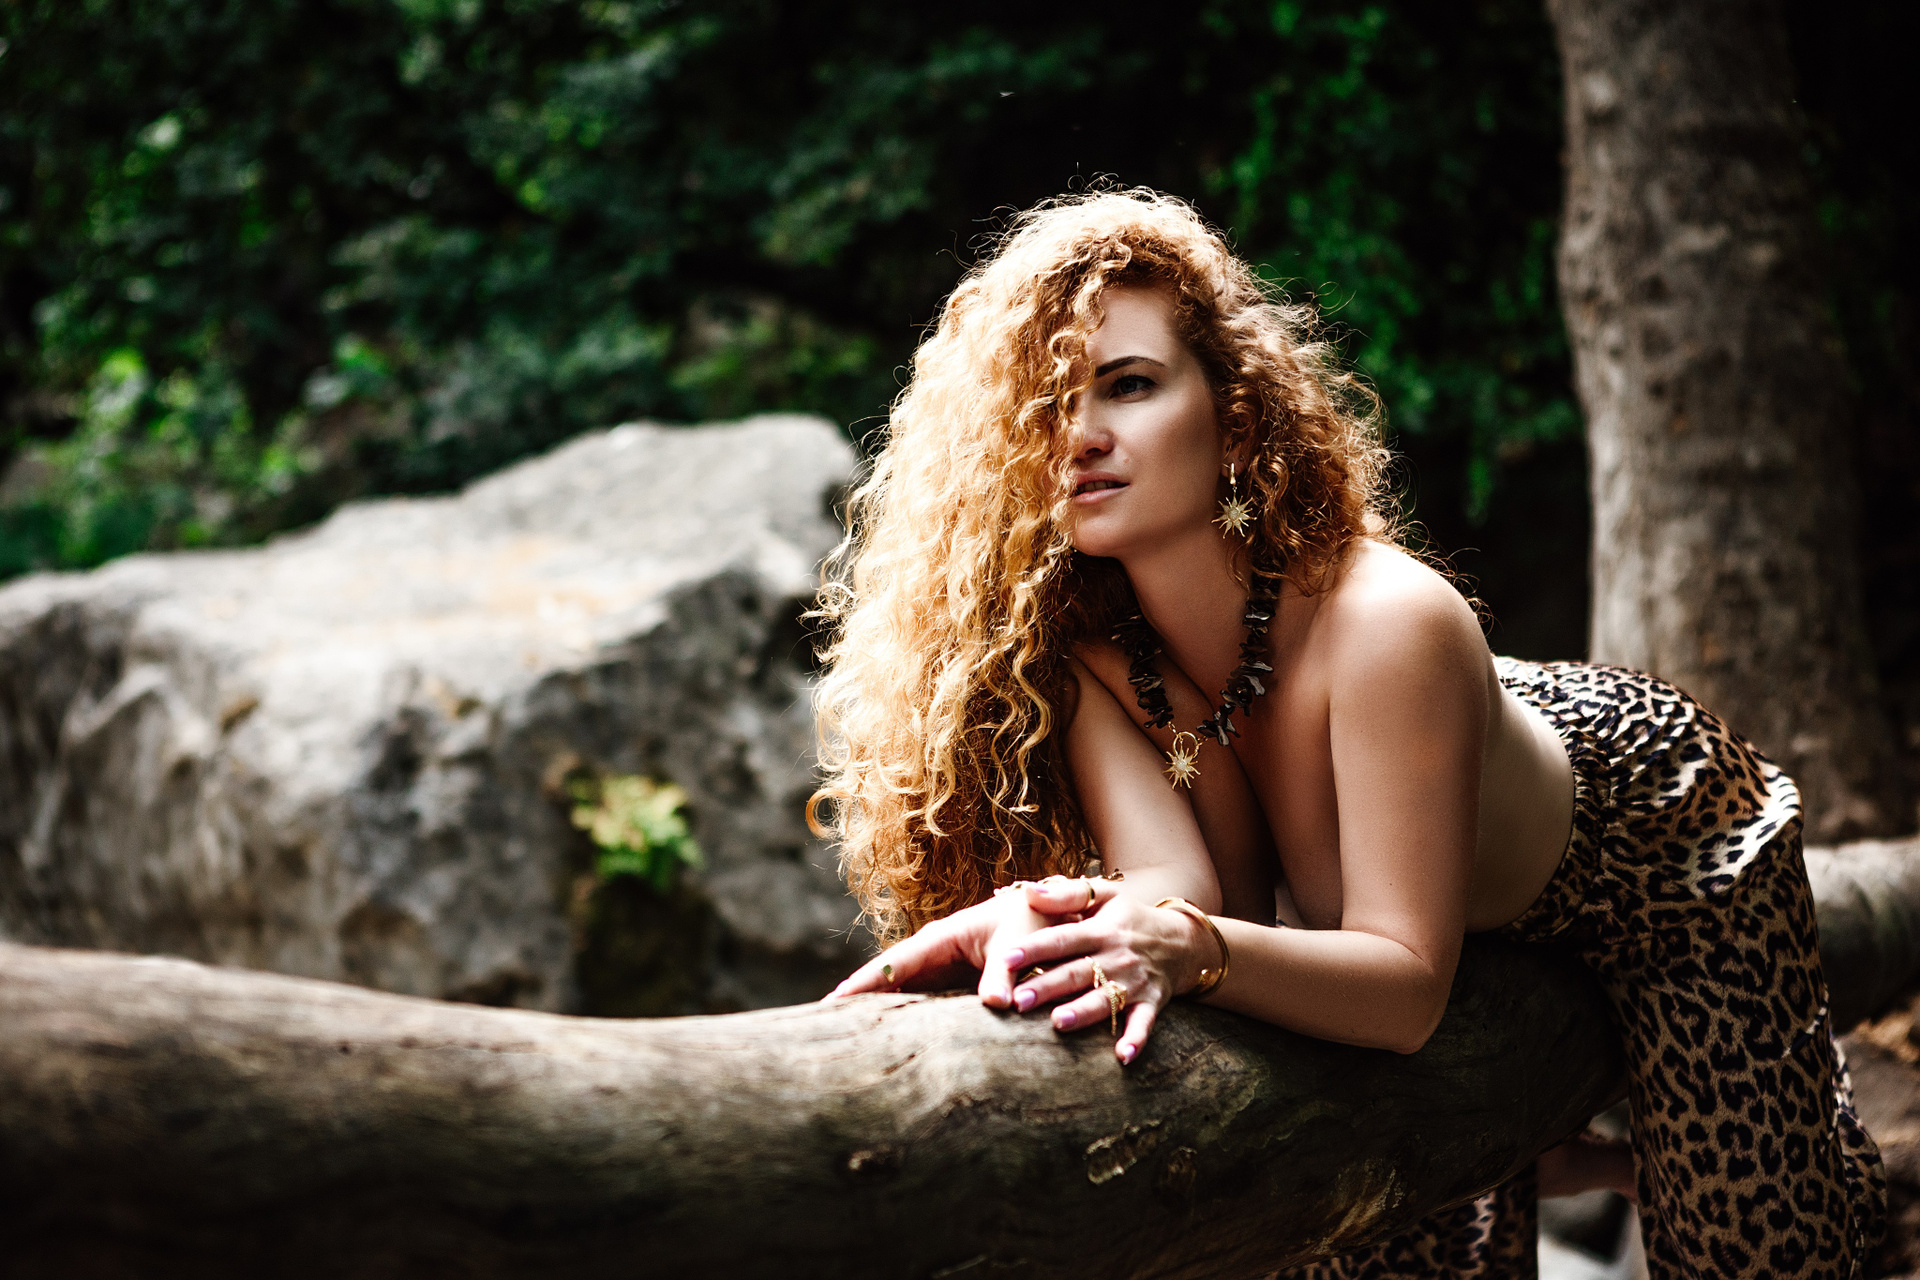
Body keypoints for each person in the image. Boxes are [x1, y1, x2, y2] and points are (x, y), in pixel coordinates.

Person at [813, 189, 1883, 1278]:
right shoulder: (1099, 662)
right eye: (1049, 403)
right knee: (1358, 1221)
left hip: (1664, 843)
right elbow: (1187, 894)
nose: (1081, 434)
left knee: (1756, 1249)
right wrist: (1047, 914)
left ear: (1234, 415)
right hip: (1434, 877)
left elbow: (1400, 987)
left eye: (1128, 385)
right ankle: (1567, 1155)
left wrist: (1192, 950)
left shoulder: (1389, 624)